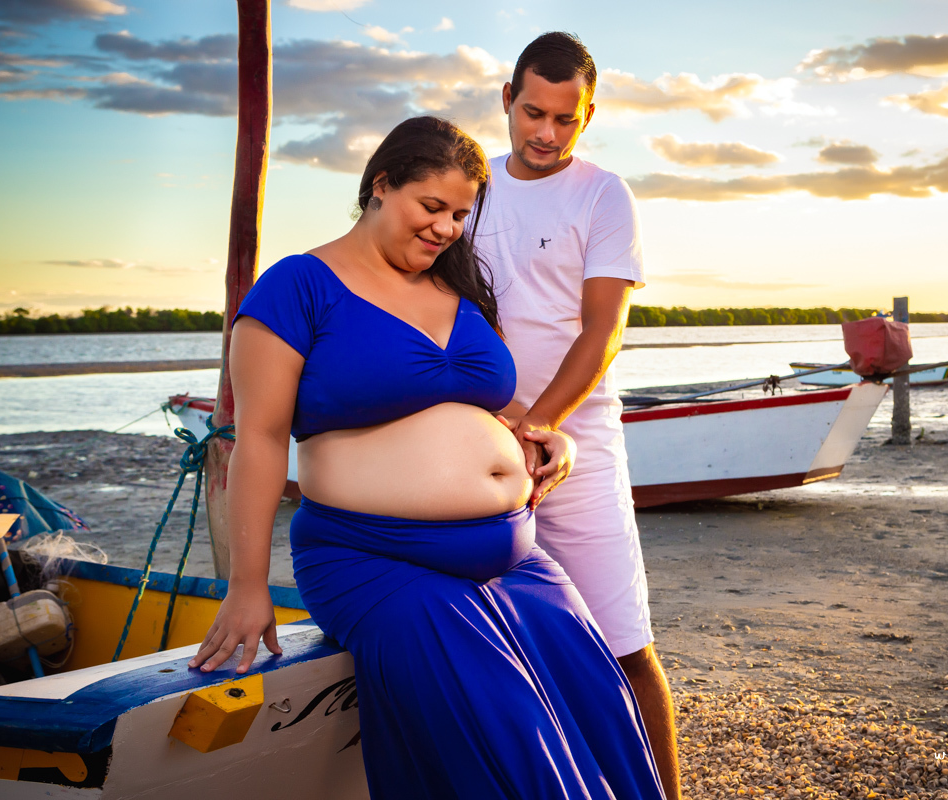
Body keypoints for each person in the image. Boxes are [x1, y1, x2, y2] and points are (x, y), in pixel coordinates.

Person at [188, 116, 665, 800]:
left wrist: (543, 433)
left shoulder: (460, 287)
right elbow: (260, 438)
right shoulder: (296, 287)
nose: (446, 228)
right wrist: (247, 586)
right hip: (376, 559)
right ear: (381, 185)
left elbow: (477, 405)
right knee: (515, 738)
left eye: (461, 215)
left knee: (602, 708)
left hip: (512, 557)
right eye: (432, 206)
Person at [478, 32, 682, 799]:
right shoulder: (471, 187)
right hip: (477, 442)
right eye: (533, 113)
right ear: (508, 99)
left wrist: (538, 426)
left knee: (624, 645)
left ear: (587, 116)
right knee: (501, 645)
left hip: (578, 447)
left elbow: (603, 331)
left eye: (565, 119)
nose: (546, 133)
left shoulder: (604, 195)